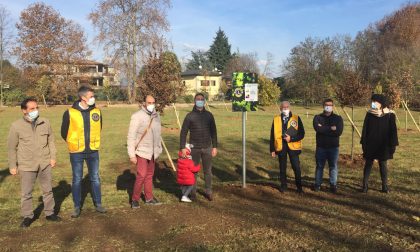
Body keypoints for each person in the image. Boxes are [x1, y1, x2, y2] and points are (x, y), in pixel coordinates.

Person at [8, 98, 61, 228]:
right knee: (26, 193)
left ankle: (50, 213)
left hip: (44, 163)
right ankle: (28, 216)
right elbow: (11, 147)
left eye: (36, 108)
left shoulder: (45, 122)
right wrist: (12, 166)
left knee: (48, 190)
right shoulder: (16, 126)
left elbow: (51, 141)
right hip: (26, 165)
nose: (35, 110)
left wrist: (52, 157)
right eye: (32, 109)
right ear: (24, 110)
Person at [61, 86, 106, 218]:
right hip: (76, 152)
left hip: (93, 151)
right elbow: (64, 132)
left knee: (95, 178)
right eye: (91, 96)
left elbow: (99, 128)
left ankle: (98, 203)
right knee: (77, 179)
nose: (93, 98)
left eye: (93, 96)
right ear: (83, 98)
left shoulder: (97, 111)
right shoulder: (70, 112)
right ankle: (76, 206)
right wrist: (74, 142)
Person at [180, 93, 218, 201]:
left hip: (207, 147)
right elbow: (183, 132)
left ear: (204, 101)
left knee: (208, 171)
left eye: (202, 99)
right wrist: (182, 147)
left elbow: (214, 132)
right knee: (193, 172)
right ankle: (193, 193)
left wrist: (215, 146)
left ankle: (208, 191)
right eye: (198, 99)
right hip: (194, 149)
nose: (200, 101)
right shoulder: (189, 116)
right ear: (194, 101)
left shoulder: (209, 115)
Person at [127, 95, 162, 208]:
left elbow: (158, 134)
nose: (151, 104)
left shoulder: (157, 116)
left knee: (149, 175)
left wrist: (158, 149)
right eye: (149, 102)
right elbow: (131, 136)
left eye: (153, 102)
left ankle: (149, 198)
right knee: (141, 175)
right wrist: (132, 154)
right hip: (142, 150)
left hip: (152, 152)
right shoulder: (137, 116)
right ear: (144, 103)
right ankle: (135, 199)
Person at [361, 94, 398, 193]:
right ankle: (364, 186)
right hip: (370, 144)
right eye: (372, 101)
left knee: (383, 165)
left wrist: (393, 144)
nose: (372, 103)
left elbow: (393, 131)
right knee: (368, 164)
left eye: (375, 102)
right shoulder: (369, 114)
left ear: (381, 103)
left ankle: (385, 187)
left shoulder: (390, 115)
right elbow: (365, 129)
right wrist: (363, 143)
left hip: (383, 145)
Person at [270, 101, 305, 193]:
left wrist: (291, 139)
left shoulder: (296, 118)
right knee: (282, 168)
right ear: (280, 108)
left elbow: (302, 134)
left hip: (293, 147)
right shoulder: (276, 119)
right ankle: (283, 186)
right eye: (283, 107)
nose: (285, 109)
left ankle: (299, 187)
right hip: (281, 146)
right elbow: (272, 135)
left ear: (290, 108)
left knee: (296, 167)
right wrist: (272, 149)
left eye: (287, 107)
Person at [313, 99, 344, 193]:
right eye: (326, 105)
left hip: (333, 148)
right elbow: (317, 129)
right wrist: (331, 128)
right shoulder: (317, 117)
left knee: (333, 166)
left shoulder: (338, 118)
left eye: (330, 105)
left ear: (333, 106)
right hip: (321, 147)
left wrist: (323, 128)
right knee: (319, 166)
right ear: (323, 105)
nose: (328, 106)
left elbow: (338, 132)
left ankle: (333, 184)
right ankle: (317, 184)